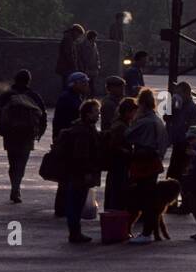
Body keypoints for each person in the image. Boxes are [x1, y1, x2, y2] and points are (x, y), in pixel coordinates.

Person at [0, 69, 46, 202]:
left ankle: (14, 186)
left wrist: (2, 131)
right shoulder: (34, 96)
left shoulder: (7, 95)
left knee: (12, 162)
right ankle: (17, 188)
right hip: (27, 135)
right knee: (22, 162)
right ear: (28, 81)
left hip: (10, 134)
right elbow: (43, 115)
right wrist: (39, 132)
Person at [127, 88, 170, 245]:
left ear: (142, 104)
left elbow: (128, 136)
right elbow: (165, 142)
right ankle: (148, 231)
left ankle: (146, 232)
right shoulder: (158, 120)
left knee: (144, 199)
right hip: (154, 161)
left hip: (143, 161)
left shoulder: (144, 122)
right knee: (151, 198)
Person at [55, 98, 102, 245]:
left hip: (75, 172)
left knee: (75, 203)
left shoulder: (82, 128)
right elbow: (81, 155)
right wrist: (87, 172)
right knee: (76, 203)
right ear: (87, 114)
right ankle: (75, 233)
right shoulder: (83, 131)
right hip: (79, 173)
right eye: (96, 112)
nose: (98, 115)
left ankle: (75, 232)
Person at [52, 73, 91, 216]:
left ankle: (63, 207)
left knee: (67, 177)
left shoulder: (73, 98)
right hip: (68, 143)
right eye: (84, 83)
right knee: (66, 177)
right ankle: (63, 208)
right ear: (75, 84)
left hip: (68, 141)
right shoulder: (69, 99)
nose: (87, 86)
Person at [101, 96, 137, 213]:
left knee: (114, 188)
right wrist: (125, 151)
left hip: (118, 163)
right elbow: (114, 145)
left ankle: (112, 210)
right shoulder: (120, 126)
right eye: (133, 112)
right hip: (119, 163)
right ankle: (114, 212)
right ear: (127, 112)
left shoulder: (121, 123)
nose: (135, 115)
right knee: (117, 189)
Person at [165, 81, 196, 179]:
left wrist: (191, 145)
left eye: (179, 93)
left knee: (181, 174)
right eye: (175, 93)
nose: (177, 96)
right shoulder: (178, 106)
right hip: (177, 144)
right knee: (173, 173)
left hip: (186, 146)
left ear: (187, 93)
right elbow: (166, 118)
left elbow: (195, 130)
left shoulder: (193, 109)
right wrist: (170, 107)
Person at [55, 24, 85, 90]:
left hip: (66, 67)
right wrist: (74, 65)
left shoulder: (69, 39)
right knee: (67, 85)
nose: (78, 37)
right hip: (67, 67)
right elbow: (69, 54)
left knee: (67, 84)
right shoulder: (68, 39)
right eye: (79, 34)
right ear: (75, 32)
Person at [80, 29, 101, 96]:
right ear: (92, 37)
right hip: (86, 68)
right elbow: (82, 57)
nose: (96, 39)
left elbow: (97, 56)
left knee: (92, 84)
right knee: (86, 85)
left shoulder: (94, 45)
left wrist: (98, 65)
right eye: (95, 37)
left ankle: (91, 97)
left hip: (93, 68)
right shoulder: (83, 45)